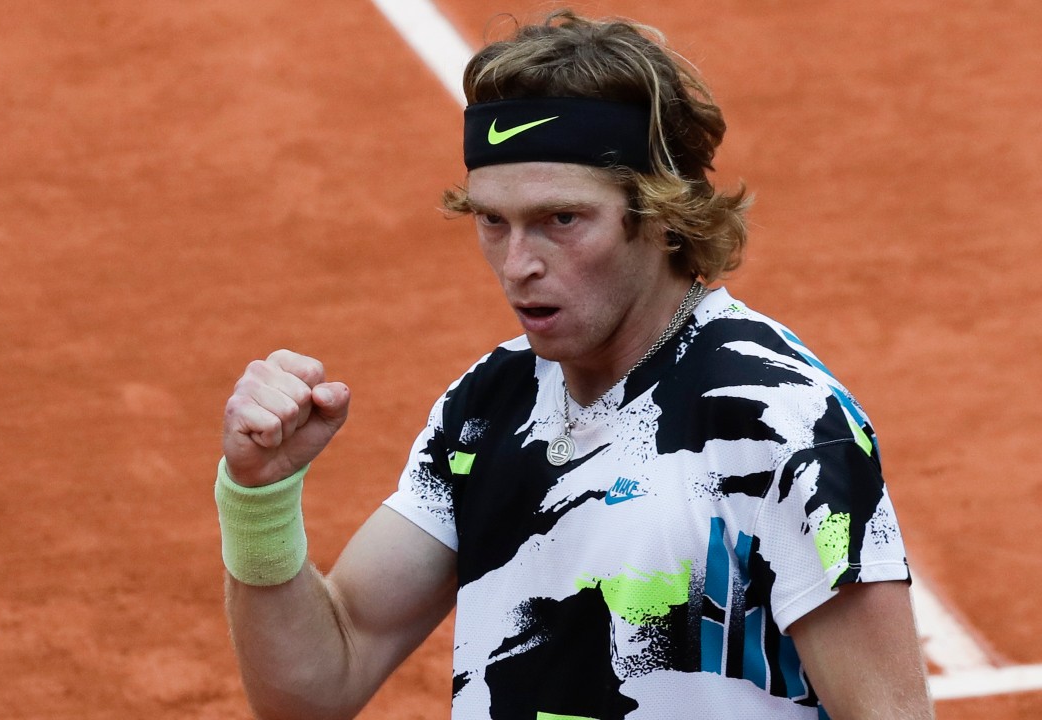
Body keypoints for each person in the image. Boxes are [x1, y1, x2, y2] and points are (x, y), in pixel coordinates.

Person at [215, 9, 934, 720]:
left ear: (659, 212)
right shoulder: (488, 405)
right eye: (493, 221)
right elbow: (317, 683)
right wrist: (259, 499)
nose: (518, 265)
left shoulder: (782, 424)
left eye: (561, 220)